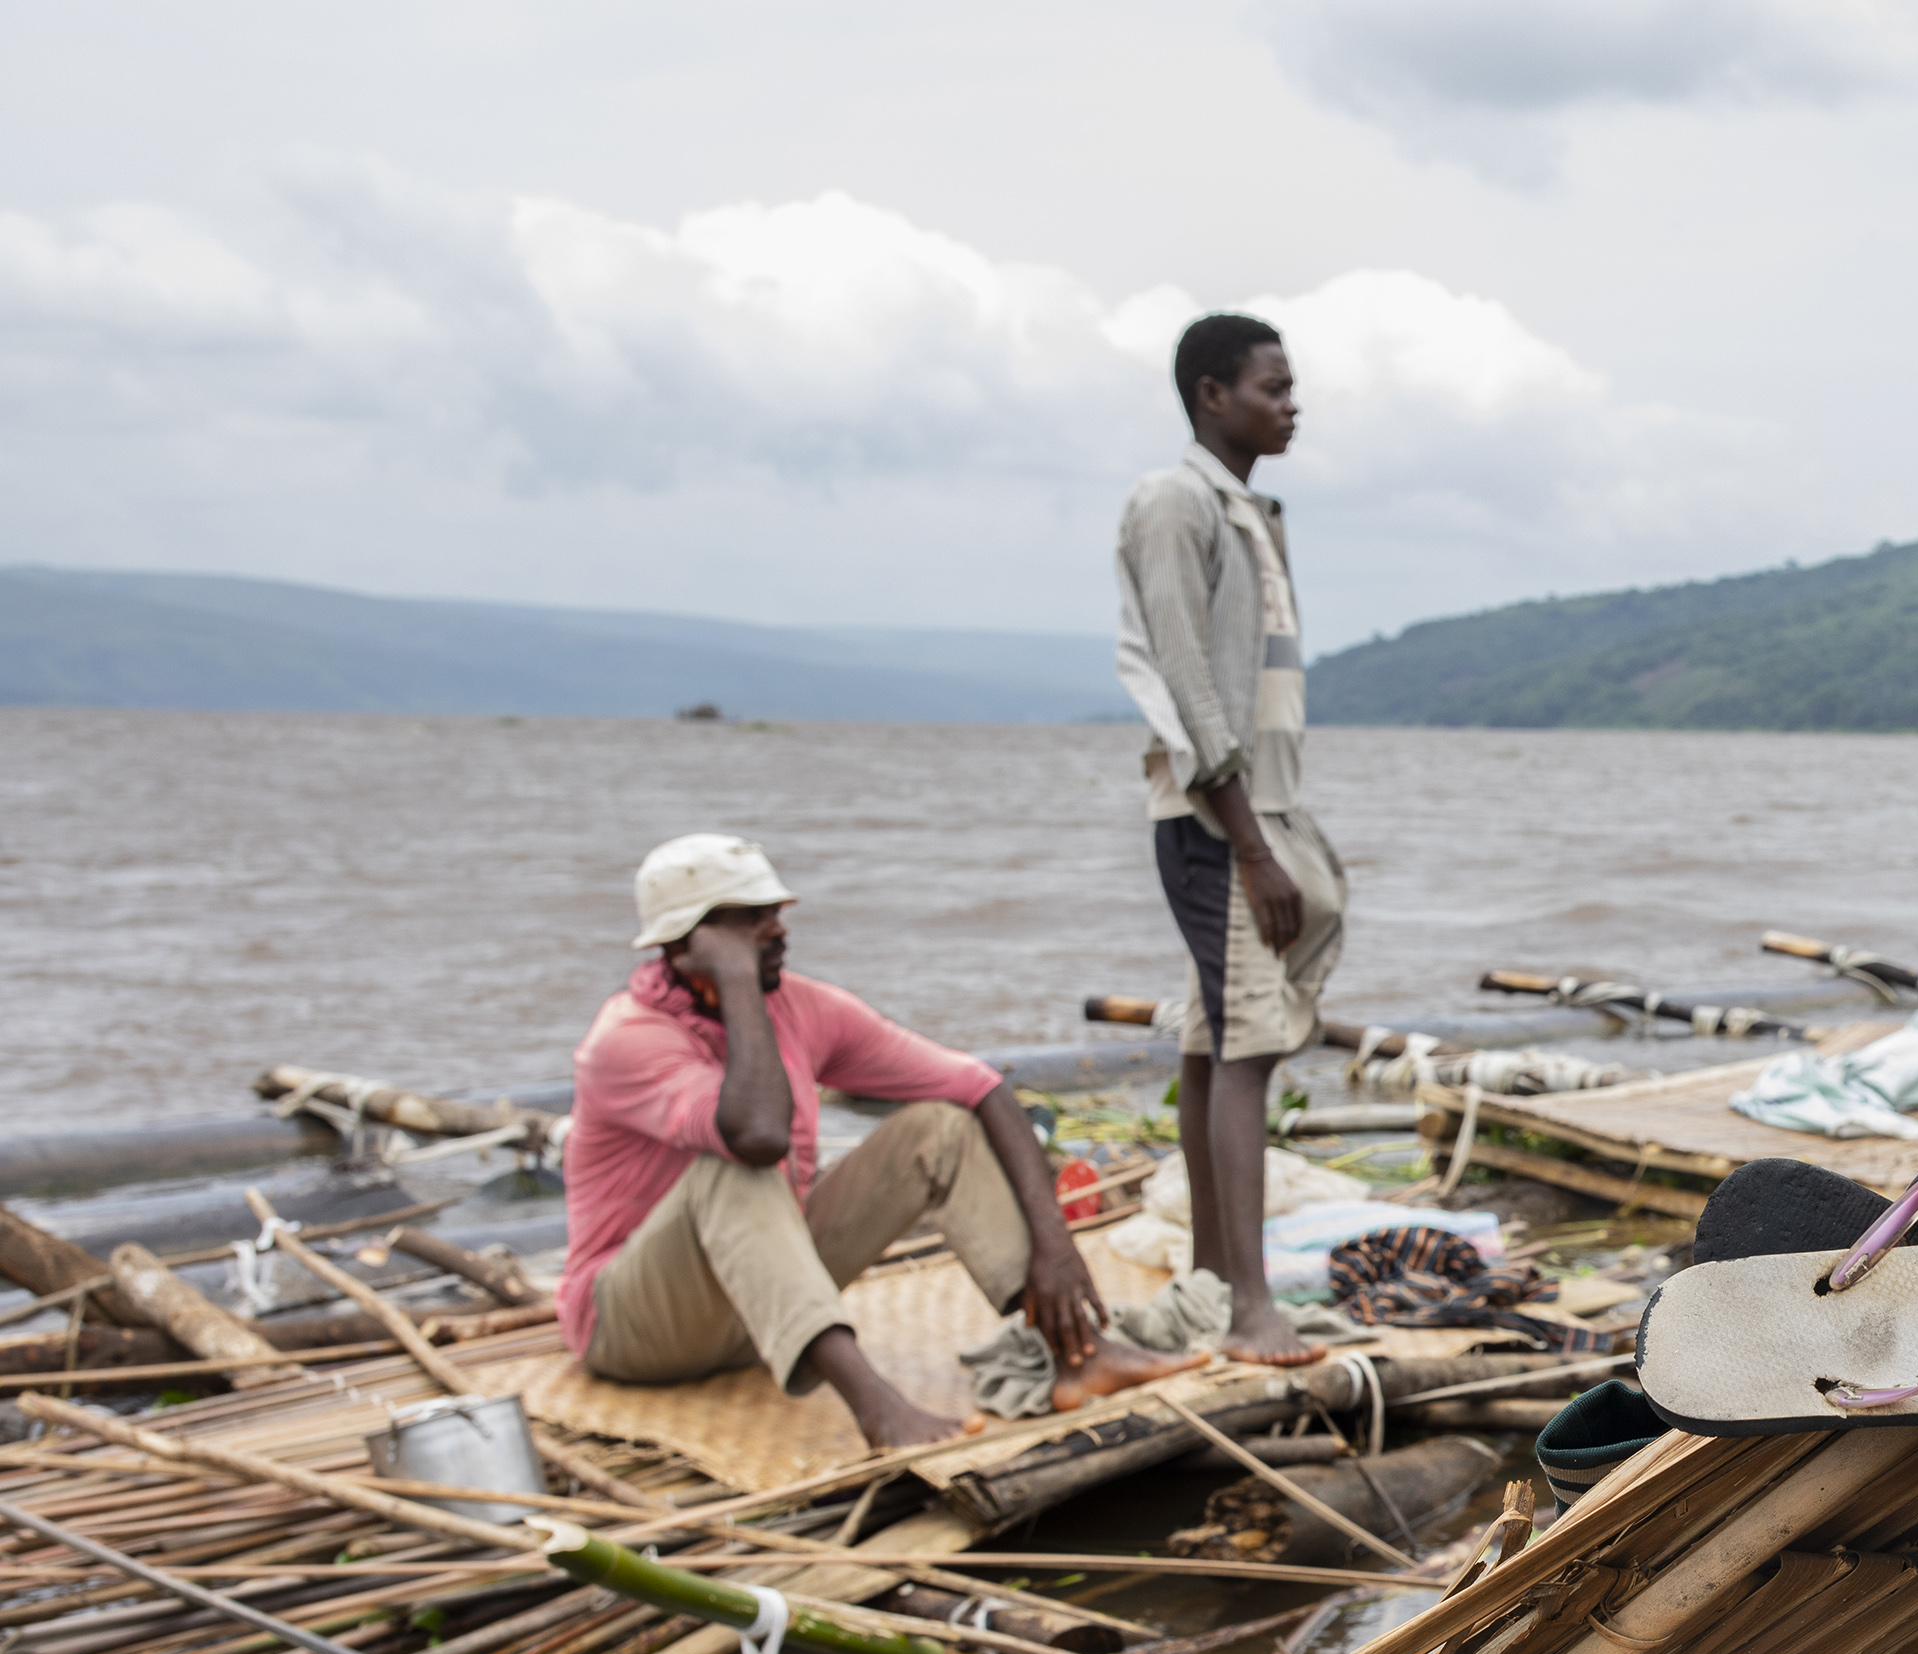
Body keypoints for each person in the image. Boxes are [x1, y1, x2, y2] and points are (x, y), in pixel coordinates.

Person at [561, 834, 1189, 1450]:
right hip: (634, 1326)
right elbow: (756, 1135)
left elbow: (981, 1087)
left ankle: (1078, 1353)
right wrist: (737, 980)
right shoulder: (627, 1038)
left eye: (775, 913)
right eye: (750, 920)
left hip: (757, 1311)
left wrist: (1055, 1245)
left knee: (938, 1128)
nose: (777, 931)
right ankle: (879, 1410)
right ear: (687, 944)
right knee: (738, 1168)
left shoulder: (800, 1007)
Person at [1115, 309, 1346, 1367]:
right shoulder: (1176, 501)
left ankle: (1216, 1281)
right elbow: (1184, 677)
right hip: (1219, 820)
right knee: (1247, 1046)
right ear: (1214, 395)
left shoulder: (1248, 512)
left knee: (1218, 1040)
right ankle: (1253, 1310)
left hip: (1253, 811)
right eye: (1273, 387)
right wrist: (1250, 845)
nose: (1291, 406)